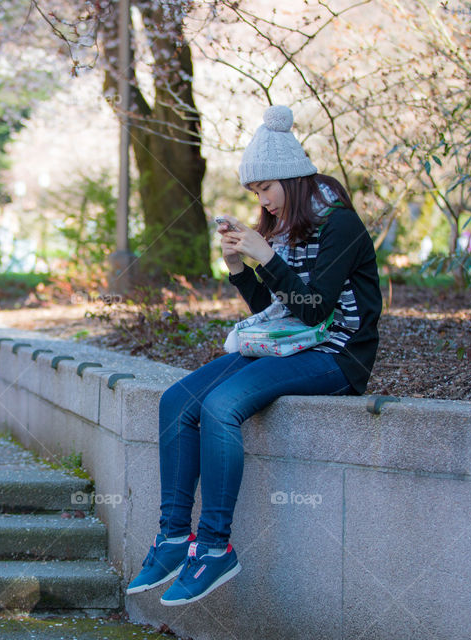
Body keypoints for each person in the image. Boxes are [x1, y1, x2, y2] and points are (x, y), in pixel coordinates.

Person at [126, 105, 382, 605]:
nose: (262, 200)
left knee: (221, 407)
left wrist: (266, 256)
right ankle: (175, 538)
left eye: (266, 187)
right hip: (290, 344)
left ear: (292, 177)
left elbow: (314, 312)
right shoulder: (283, 227)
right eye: (255, 192)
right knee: (177, 403)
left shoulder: (340, 226)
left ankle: (215, 547)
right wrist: (239, 267)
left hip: (336, 354)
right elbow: (275, 310)